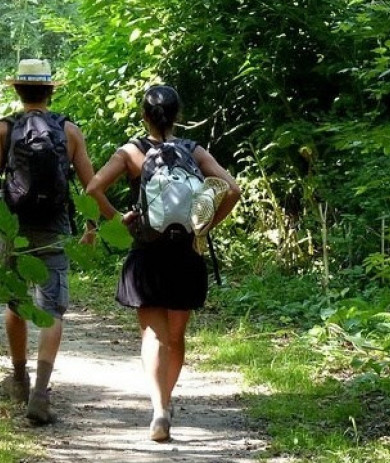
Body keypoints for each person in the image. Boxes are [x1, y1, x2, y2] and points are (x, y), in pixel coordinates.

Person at [85, 85, 241, 441]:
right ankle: (167, 401)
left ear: (144, 115)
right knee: (176, 334)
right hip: (186, 251)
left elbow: (93, 187)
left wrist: (118, 218)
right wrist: (205, 226)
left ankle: (158, 410)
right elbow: (232, 190)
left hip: (148, 251)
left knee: (153, 335)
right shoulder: (194, 150)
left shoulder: (131, 152)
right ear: (177, 115)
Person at [0, 59, 95, 425]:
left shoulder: (3, 130)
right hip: (54, 226)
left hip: (14, 228)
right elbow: (90, 184)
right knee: (52, 311)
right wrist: (91, 225)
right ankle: (41, 393)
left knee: (16, 303)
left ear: (18, 91)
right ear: (50, 90)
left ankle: (19, 379)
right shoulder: (69, 131)